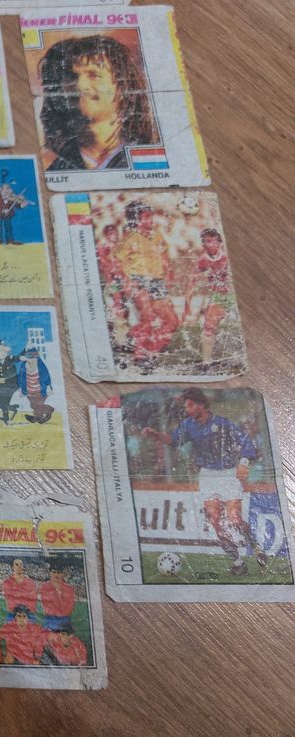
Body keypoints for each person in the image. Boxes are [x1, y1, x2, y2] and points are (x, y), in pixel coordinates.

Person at [141, 387, 268, 575]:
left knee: (234, 519)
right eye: (186, 406)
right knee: (216, 522)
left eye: (190, 405)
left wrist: (243, 463)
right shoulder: (187, 425)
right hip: (207, 476)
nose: (187, 409)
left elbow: (244, 441)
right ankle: (238, 563)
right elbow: (174, 441)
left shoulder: (222, 423)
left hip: (227, 474)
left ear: (201, 404)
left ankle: (255, 545)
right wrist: (155, 434)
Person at [38, 34, 155, 170]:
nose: (80, 85)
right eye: (72, 76)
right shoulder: (48, 165)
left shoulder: (150, 156)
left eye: (94, 75)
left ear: (123, 87)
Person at [111, 200, 179, 365]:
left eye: (151, 216)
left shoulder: (157, 236)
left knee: (172, 321)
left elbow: (164, 257)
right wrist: (127, 283)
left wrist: (168, 273)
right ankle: (140, 355)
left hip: (156, 282)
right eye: (147, 217)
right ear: (136, 220)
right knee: (147, 319)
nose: (151, 220)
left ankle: (146, 347)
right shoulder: (129, 239)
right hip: (137, 280)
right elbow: (115, 260)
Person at [188, 228, 234, 365]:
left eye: (214, 241)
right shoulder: (203, 259)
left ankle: (210, 361)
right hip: (220, 296)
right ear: (203, 244)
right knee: (209, 327)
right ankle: (207, 362)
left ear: (220, 243)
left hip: (231, 295)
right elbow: (192, 278)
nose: (211, 244)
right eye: (207, 241)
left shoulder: (226, 257)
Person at [0, 170, 30, 246]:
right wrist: (2, 211)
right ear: (1, 189)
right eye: (6, 190)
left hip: (8, 214)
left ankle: (10, 240)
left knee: (8, 226)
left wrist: (21, 205)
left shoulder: (11, 196)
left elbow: (15, 205)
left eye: (9, 189)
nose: (8, 192)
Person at [17, 348, 54, 424]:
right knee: (34, 404)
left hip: (40, 390)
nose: (29, 361)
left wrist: (48, 385)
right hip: (29, 390)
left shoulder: (40, 366)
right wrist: (20, 387)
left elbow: (45, 375)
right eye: (27, 359)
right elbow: (20, 376)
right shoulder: (24, 365)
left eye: (31, 359)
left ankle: (39, 417)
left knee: (36, 404)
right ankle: (47, 412)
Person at [39, 565, 76, 632]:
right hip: (50, 618)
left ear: (63, 574)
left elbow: (70, 606)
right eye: (54, 572)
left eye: (59, 572)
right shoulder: (45, 587)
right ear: (50, 573)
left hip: (64, 618)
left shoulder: (69, 588)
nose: (56, 575)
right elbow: (46, 605)